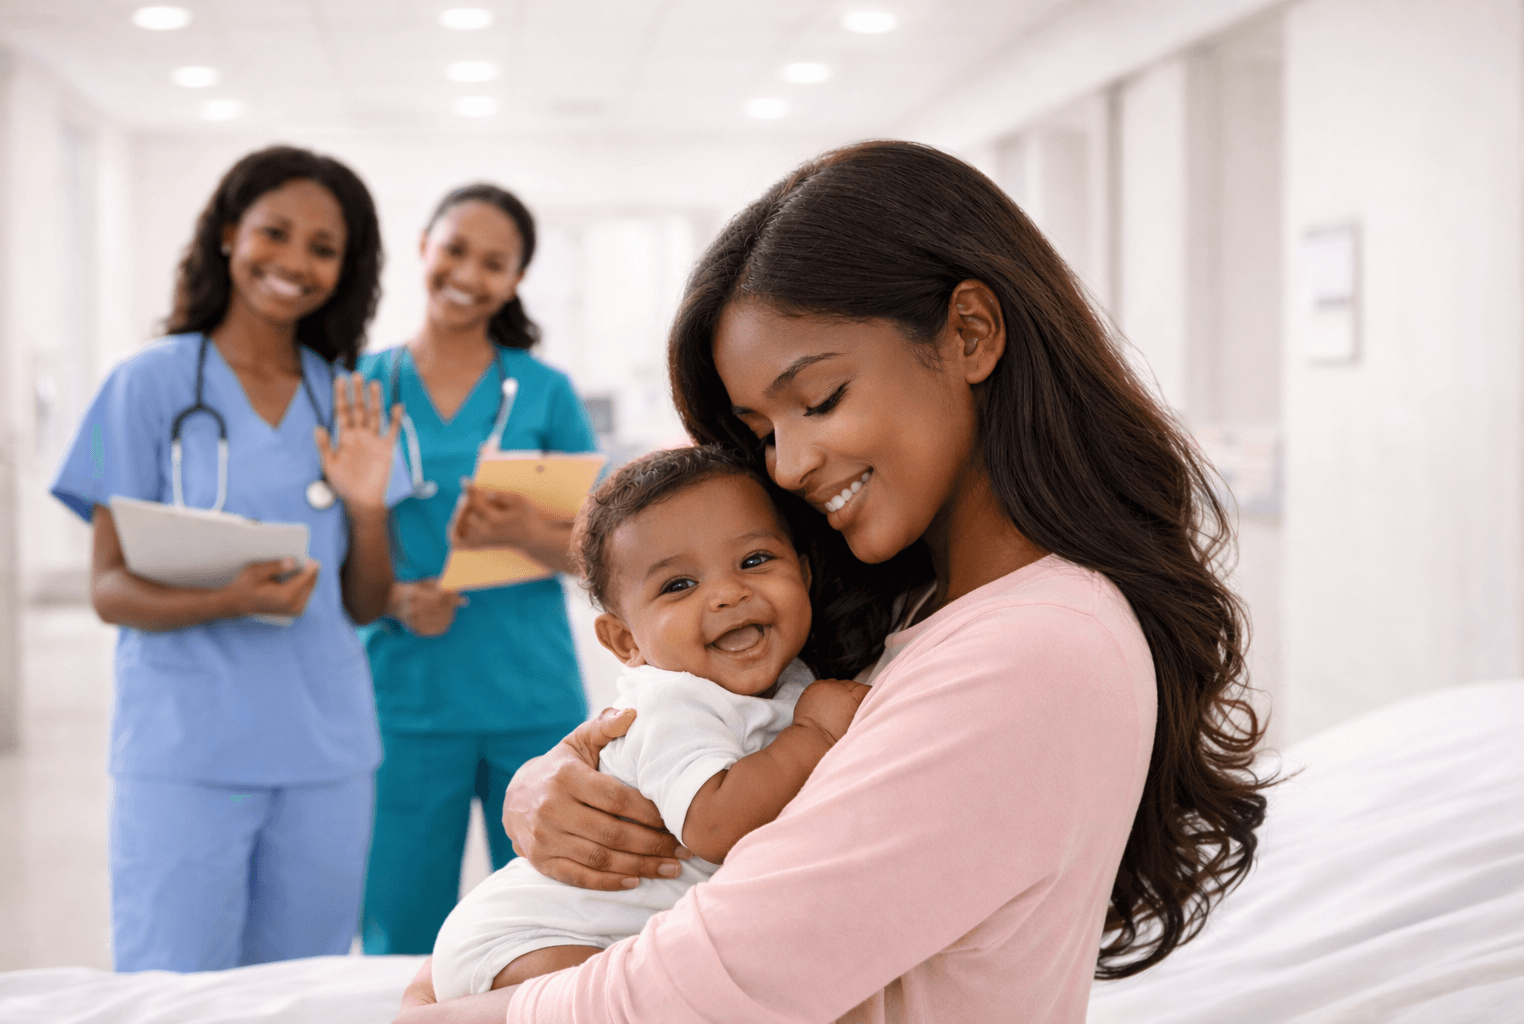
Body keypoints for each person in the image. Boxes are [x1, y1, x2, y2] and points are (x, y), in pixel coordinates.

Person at [396, 140, 1269, 1023]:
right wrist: (559, 780)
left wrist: (434, 1014)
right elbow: (700, 739)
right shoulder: (915, 608)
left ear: (970, 333)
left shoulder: (1035, 649)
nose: (787, 465)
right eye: (762, 432)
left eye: (819, 401)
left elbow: (705, 990)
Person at [50, 145, 407, 972]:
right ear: (226, 235)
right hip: (185, 749)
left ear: (346, 269)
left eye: (323, 247)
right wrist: (230, 598)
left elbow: (364, 602)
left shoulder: (346, 398)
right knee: (173, 990)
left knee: (300, 990)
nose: (294, 261)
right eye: (274, 233)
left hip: (325, 750)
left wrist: (366, 507)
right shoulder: (144, 385)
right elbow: (109, 590)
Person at [431, 446, 870, 998]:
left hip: (607, 936)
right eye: (678, 585)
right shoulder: (673, 704)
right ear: (625, 641)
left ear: (803, 574)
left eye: (755, 560)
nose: (728, 594)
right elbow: (716, 825)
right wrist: (816, 735)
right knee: (622, 996)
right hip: (529, 936)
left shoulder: (794, 679)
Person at [358, 184, 597, 957]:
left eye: (494, 263)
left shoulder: (545, 391)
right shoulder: (361, 387)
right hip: (405, 697)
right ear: (423, 246)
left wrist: (526, 530)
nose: (468, 273)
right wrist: (394, 597)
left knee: (544, 918)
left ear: (516, 278)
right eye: (455, 249)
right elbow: (329, 542)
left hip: (528, 694)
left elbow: (602, 553)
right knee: (398, 922)